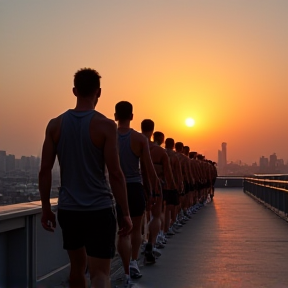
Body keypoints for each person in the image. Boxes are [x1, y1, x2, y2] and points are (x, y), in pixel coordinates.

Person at [38, 68, 132, 288]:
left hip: (69, 210)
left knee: (77, 270)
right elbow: (116, 174)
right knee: (100, 273)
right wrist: (125, 213)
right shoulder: (106, 125)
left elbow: (44, 170)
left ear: (74, 91)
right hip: (99, 209)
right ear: (98, 92)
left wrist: (45, 209)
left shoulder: (55, 125)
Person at [114, 101, 160, 283]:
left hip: (117, 188)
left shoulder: (109, 137)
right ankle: (134, 262)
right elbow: (148, 170)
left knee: (122, 231)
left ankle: (125, 272)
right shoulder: (140, 140)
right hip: (135, 188)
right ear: (132, 117)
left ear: (115, 116)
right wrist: (151, 192)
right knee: (135, 229)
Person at [141, 120, 174, 262]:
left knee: (136, 220)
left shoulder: (134, 144)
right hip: (155, 186)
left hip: (137, 185)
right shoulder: (160, 152)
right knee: (156, 215)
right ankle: (151, 243)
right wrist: (172, 186)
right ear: (153, 131)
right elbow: (168, 173)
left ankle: (133, 257)